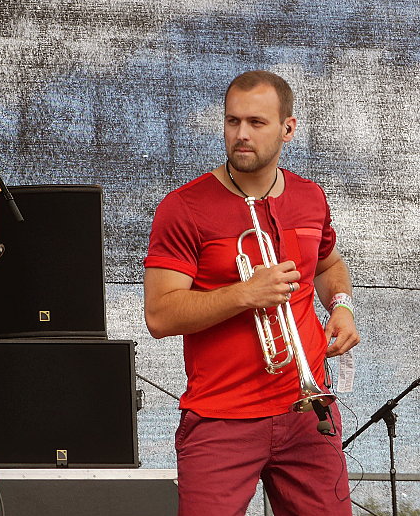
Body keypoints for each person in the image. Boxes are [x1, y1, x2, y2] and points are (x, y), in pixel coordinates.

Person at [143, 70, 359, 516]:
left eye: (256, 123)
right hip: (221, 418)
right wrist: (245, 293)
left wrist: (341, 306)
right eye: (232, 121)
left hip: (308, 412)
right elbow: (160, 316)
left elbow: (328, 264)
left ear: (288, 128)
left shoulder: (310, 197)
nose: (241, 134)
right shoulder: (183, 208)